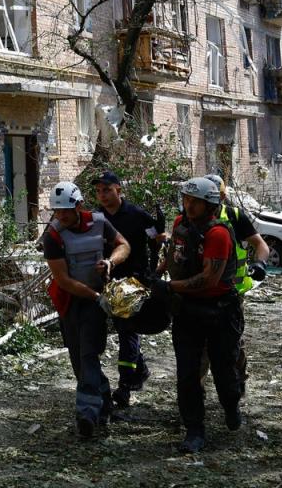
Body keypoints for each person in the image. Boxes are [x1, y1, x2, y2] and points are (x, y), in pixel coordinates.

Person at [148, 178, 242, 453]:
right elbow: (174, 255)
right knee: (187, 373)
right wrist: (157, 274)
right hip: (187, 311)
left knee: (224, 371)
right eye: (186, 200)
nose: (189, 206)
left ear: (209, 204)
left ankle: (231, 405)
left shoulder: (218, 234)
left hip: (220, 312)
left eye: (195, 201)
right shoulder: (180, 224)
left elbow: (209, 279)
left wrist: (167, 287)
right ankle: (194, 429)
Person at [42, 181, 131, 438]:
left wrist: (110, 261)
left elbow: (123, 245)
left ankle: (87, 414)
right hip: (71, 301)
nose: (61, 216)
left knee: (88, 354)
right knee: (78, 359)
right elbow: (64, 281)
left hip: (94, 304)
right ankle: (103, 401)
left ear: (79, 206)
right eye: (57, 212)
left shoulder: (100, 222)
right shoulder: (53, 236)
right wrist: (95, 296)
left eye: (66, 211)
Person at [92, 170, 167, 408]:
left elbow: (157, 239)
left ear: (118, 190)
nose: (102, 195)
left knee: (126, 330)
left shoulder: (136, 215)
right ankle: (141, 369)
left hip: (135, 281)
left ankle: (125, 387)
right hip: (111, 282)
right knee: (124, 329)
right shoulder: (97, 218)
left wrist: (155, 267)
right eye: (99, 191)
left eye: (107, 190)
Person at [203, 174, 269, 396]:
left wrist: (260, 263)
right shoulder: (190, 217)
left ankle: (237, 380)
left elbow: (261, 245)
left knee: (232, 343)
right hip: (199, 292)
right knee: (199, 346)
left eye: (214, 196)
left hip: (231, 293)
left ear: (222, 196)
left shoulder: (233, 216)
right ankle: (195, 393)